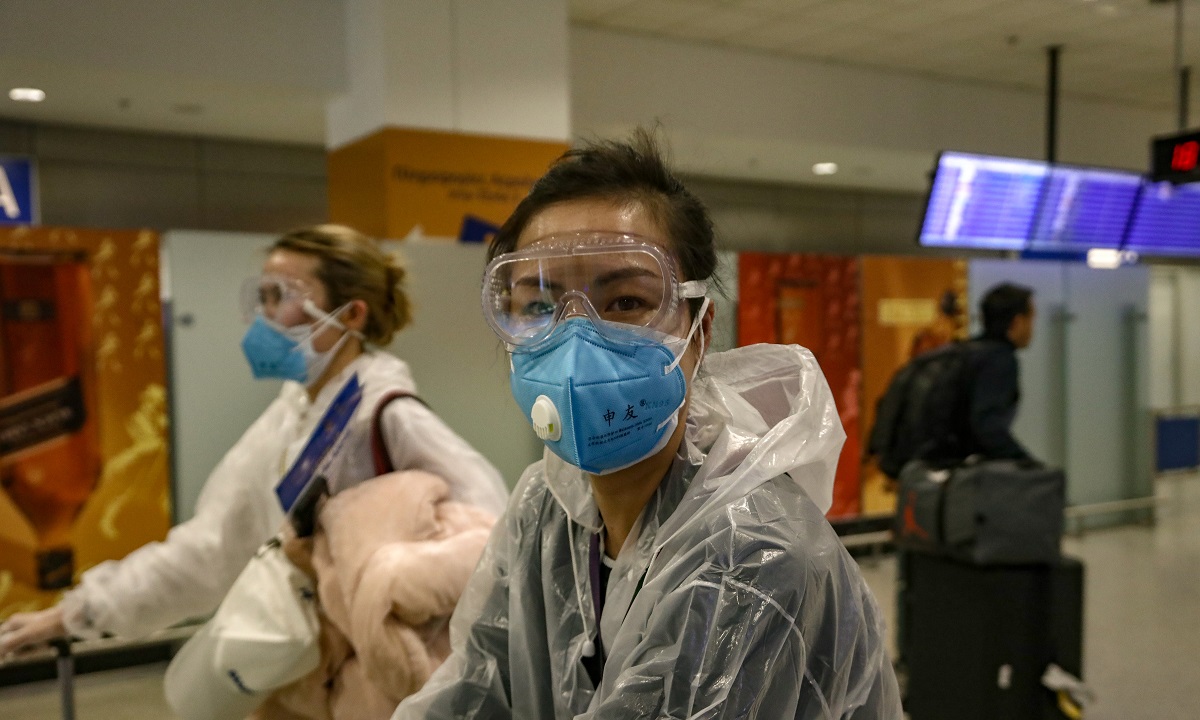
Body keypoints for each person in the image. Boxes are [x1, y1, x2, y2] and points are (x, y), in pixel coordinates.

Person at [392, 132, 900, 719]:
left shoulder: (753, 555)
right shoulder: (546, 508)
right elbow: (474, 691)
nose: (576, 342)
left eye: (626, 302)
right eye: (539, 306)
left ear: (699, 331)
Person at [0, 224, 508, 656]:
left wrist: (395, 592)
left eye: (282, 297)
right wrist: (81, 612)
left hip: (386, 678)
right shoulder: (293, 414)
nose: (266, 315)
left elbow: (490, 536)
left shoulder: (383, 412)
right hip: (312, 667)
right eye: (262, 297)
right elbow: (212, 547)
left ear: (353, 315)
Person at [963, 282, 1036, 462]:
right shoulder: (999, 360)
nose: (1032, 328)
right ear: (1018, 322)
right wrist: (1026, 464)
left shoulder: (964, 352)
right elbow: (987, 426)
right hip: (962, 467)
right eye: (1031, 319)